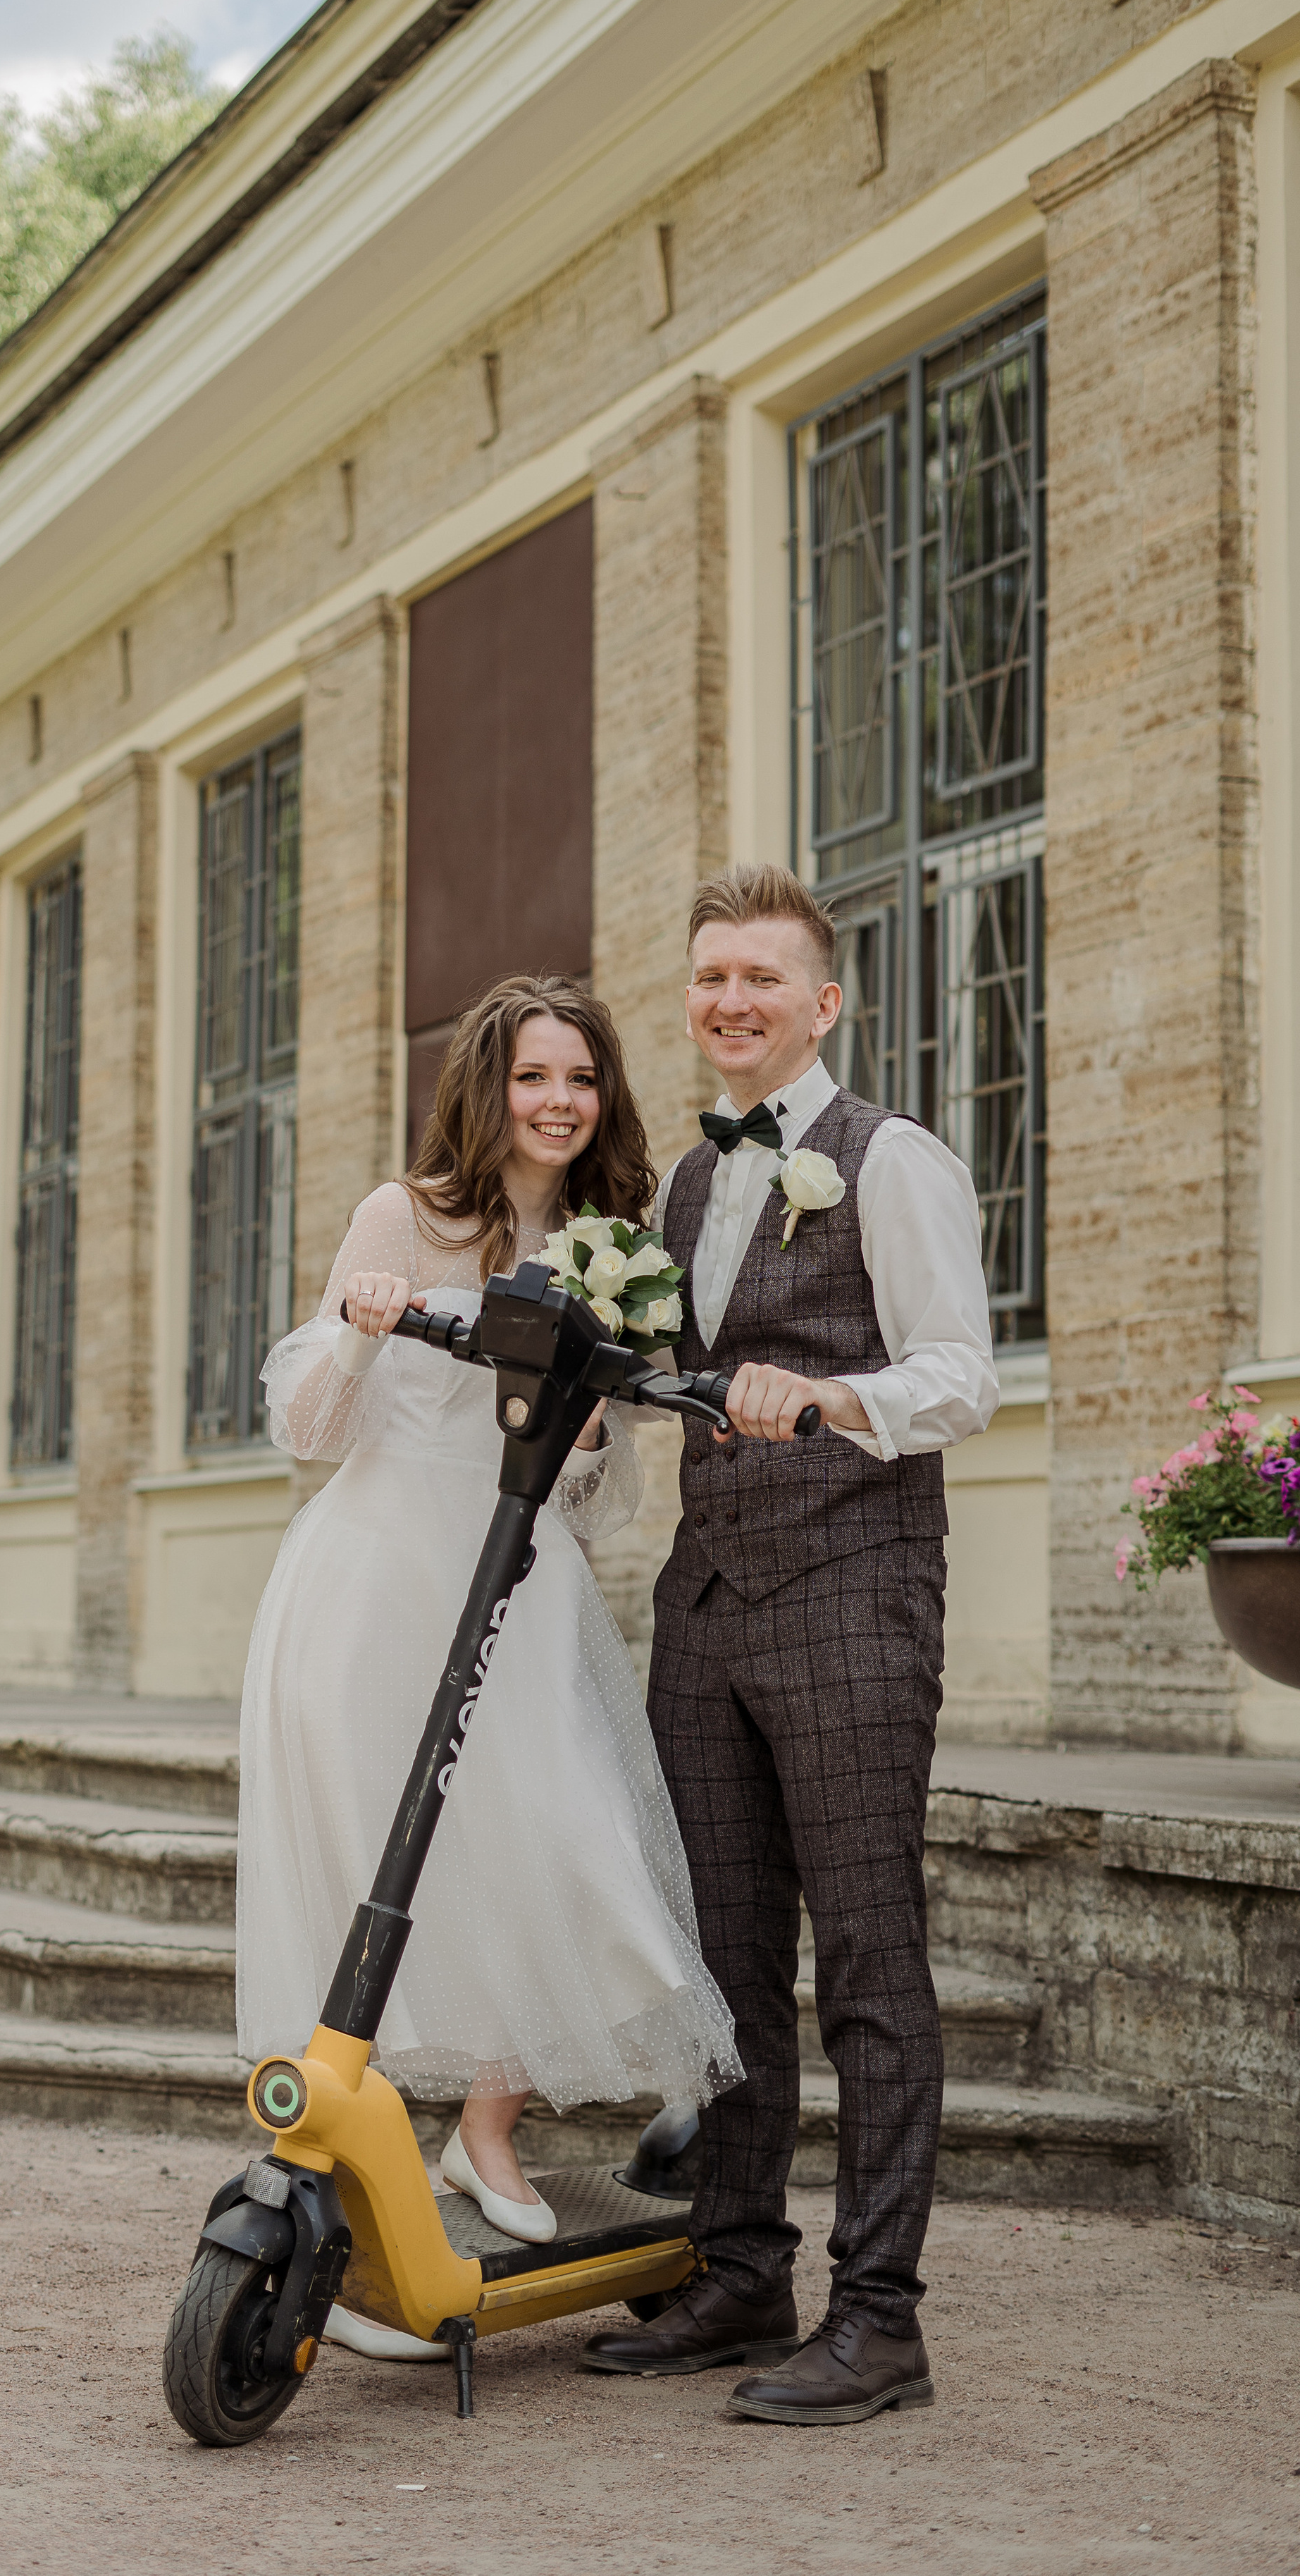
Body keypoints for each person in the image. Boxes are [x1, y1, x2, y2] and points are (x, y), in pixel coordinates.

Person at [236, 973, 741, 2281]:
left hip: (520, 1580)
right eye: (534, 1076)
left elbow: (597, 1488)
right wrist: (357, 1333)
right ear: (488, 1086)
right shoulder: (401, 1215)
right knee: (382, 1868)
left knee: (568, 1842)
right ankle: (349, 2180)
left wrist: (582, 1423)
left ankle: (488, 2129)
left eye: (580, 1078)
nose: (559, 1101)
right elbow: (309, 1435)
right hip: (374, 1579)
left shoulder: (611, 1246)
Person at [581, 864, 997, 2424]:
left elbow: (961, 1376)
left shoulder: (886, 1159)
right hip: (703, 1603)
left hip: (850, 1594)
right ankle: (738, 2270)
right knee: (723, 1961)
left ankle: (877, 2317)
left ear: (823, 1003)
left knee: (870, 1963)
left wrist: (828, 1397)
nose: (729, 1003)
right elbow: (676, 1382)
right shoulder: (686, 1188)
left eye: (760, 979)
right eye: (706, 980)